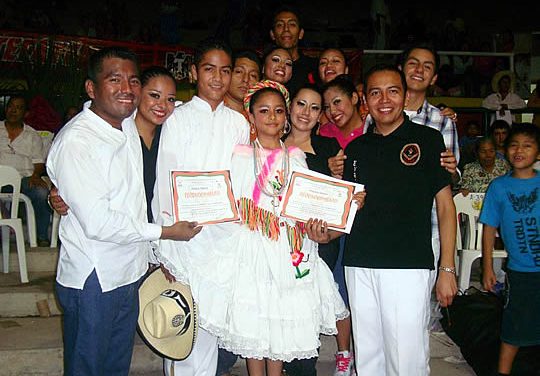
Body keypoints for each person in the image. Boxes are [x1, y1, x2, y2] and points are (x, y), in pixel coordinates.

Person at [45, 46, 201, 376]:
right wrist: (165, 233)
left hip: (128, 271)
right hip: (94, 276)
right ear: (91, 88)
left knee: (116, 367)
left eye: (132, 80)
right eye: (114, 79)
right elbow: (99, 223)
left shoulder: (125, 124)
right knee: (87, 367)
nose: (126, 89)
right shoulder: (79, 141)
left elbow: (179, 107)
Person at [311, 63, 457, 375]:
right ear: (365, 99)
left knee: (407, 356)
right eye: (375, 92)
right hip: (360, 262)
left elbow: (446, 207)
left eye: (393, 91)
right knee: (368, 354)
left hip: (408, 265)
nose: (384, 99)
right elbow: (351, 210)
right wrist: (326, 233)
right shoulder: (357, 148)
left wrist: (447, 268)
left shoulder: (428, 140)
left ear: (405, 97)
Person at [152, 38, 250, 376]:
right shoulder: (177, 119)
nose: (218, 78)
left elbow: (241, 182)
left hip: (222, 240)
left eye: (226, 71)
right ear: (194, 72)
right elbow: (165, 181)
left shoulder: (238, 124)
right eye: (210, 69)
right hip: (185, 237)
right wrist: (165, 243)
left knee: (209, 328)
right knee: (182, 329)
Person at [282, 84, 343, 376]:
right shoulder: (271, 143)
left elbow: (344, 199)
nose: (306, 113)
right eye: (301, 104)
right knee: (283, 309)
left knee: (309, 311)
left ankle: (305, 369)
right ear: (290, 106)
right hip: (279, 242)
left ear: (321, 116)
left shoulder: (331, 151)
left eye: (314, 107)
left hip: (321, 243)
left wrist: (329, 233)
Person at [479, 123, 540, 376]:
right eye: (514, 145)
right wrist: (487, 267)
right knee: (514, 327)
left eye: (527, 145)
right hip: (520, 272)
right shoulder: (499, 187)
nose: (519, 150)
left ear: (538, 152)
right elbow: (488, 229)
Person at [0, 95, 51, 247]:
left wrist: (36, 175)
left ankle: (41, 236)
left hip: (23, 179)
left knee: (41, 192)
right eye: (11, 106)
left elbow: (38, 162)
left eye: (19, 108)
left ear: (26, 113)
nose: (13, 110)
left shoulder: (33, 135)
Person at [269, 5, 317, 95]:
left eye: (292, 24)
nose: (286, 29)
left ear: (301, 34)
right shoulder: (265, 66)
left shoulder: (314, 67)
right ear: (272, 34)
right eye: (280, 25)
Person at [224, 49, 262, 115]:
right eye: (239, 72)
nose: (246, 79)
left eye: (253, 75)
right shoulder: (211, 108)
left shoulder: (258, 119)